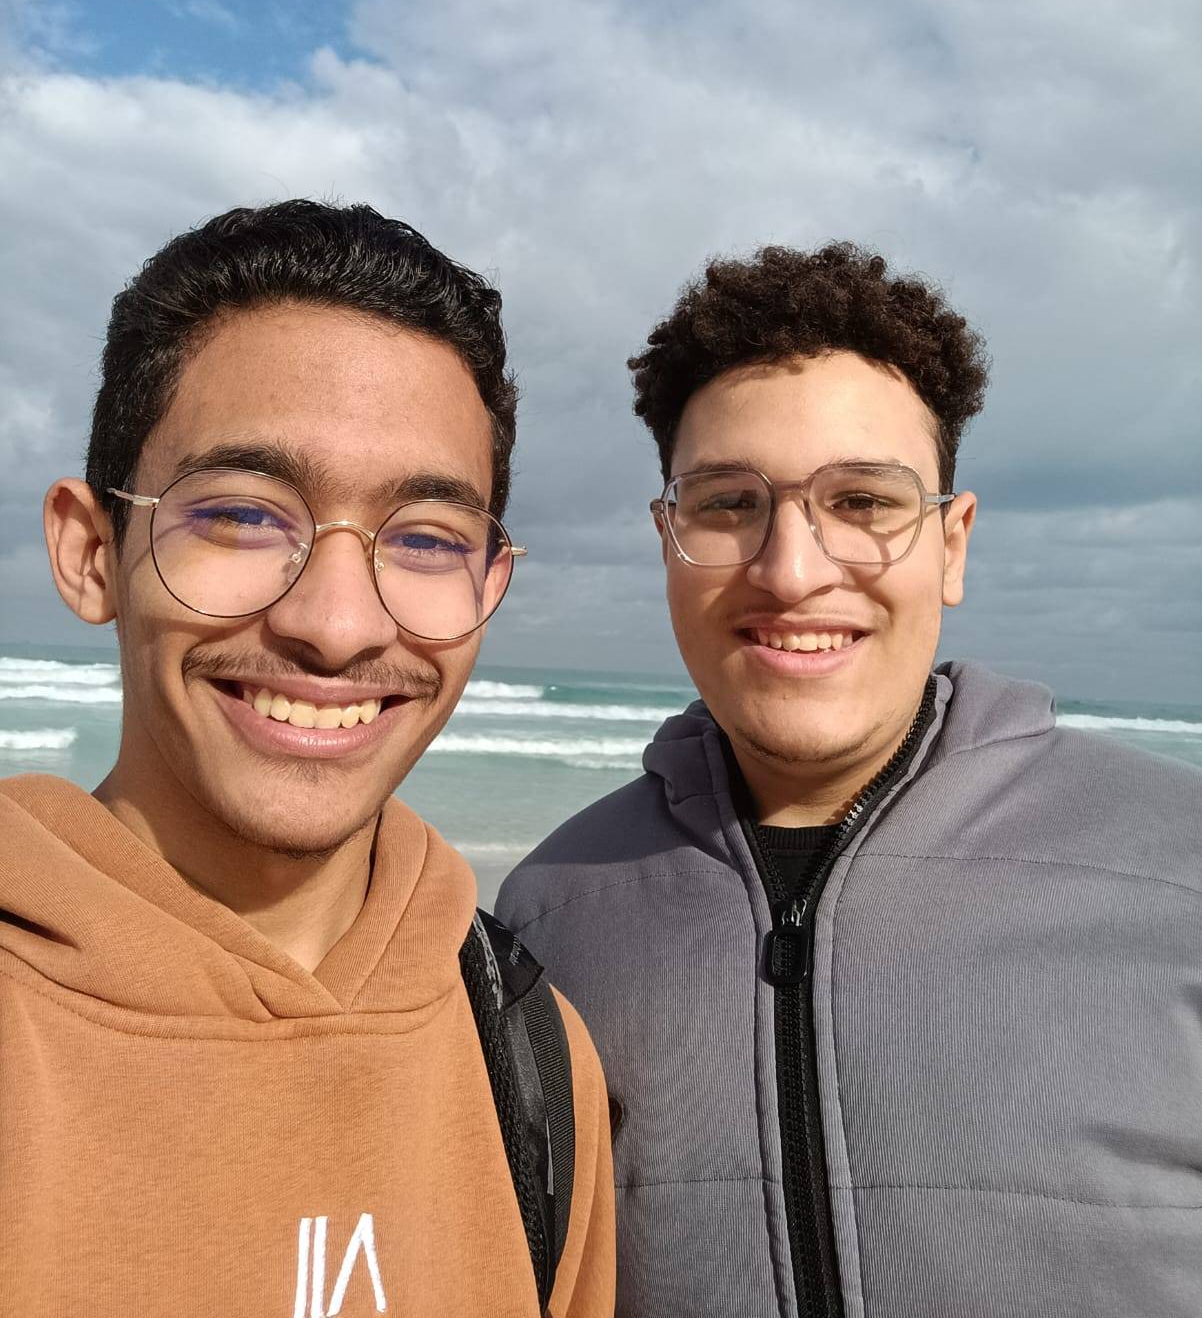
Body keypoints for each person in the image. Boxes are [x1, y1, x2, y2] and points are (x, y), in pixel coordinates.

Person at [497, 242, 1202, 1318]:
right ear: (667, 538)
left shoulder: (1177, 872)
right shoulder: (549, 915)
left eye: (864, 500)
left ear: (952, 545)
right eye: (727, 502)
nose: (791, 570)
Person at [1, 201, 614, 1317]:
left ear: (487, 587)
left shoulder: (528, 1057)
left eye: (424, 537)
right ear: (92, 551)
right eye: (243, 514)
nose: (335, 626)